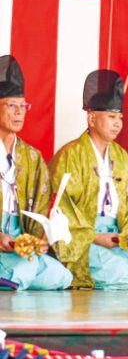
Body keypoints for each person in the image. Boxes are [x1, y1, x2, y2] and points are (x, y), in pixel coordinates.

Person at [50, 70, 128, 290]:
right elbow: (60, 207)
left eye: (119, 117)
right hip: (87, 240)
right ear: (91, 118)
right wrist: (94, 237)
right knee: (117, 275)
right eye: (111, 117)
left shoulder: (123, 159)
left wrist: (126, 236)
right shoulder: (70, 156)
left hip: (119, 237)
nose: (118, 123)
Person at [0, 55, 72, 290]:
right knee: (22, 271)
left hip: (19, 239)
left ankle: (15, 276)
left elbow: (41, 204)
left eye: (23, 106)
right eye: (12, 106)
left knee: (62, 277)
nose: (19, 113)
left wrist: (39, 239)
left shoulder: (31, 156)